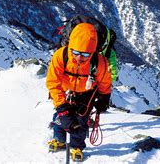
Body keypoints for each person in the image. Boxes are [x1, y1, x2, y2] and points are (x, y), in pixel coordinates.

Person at [46, 23, 112, 162]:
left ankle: (77, 146)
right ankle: (59, 139)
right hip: (64, 92)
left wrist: (104, 98)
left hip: (86, 94)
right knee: (60, 117)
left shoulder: (99, 62)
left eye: (85, 54)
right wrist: (62, 108)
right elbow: (52, 82)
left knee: (81, 121)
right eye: (75, 52)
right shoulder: (61, 56)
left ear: (93, 50)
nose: (79, 57)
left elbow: (105, 82)